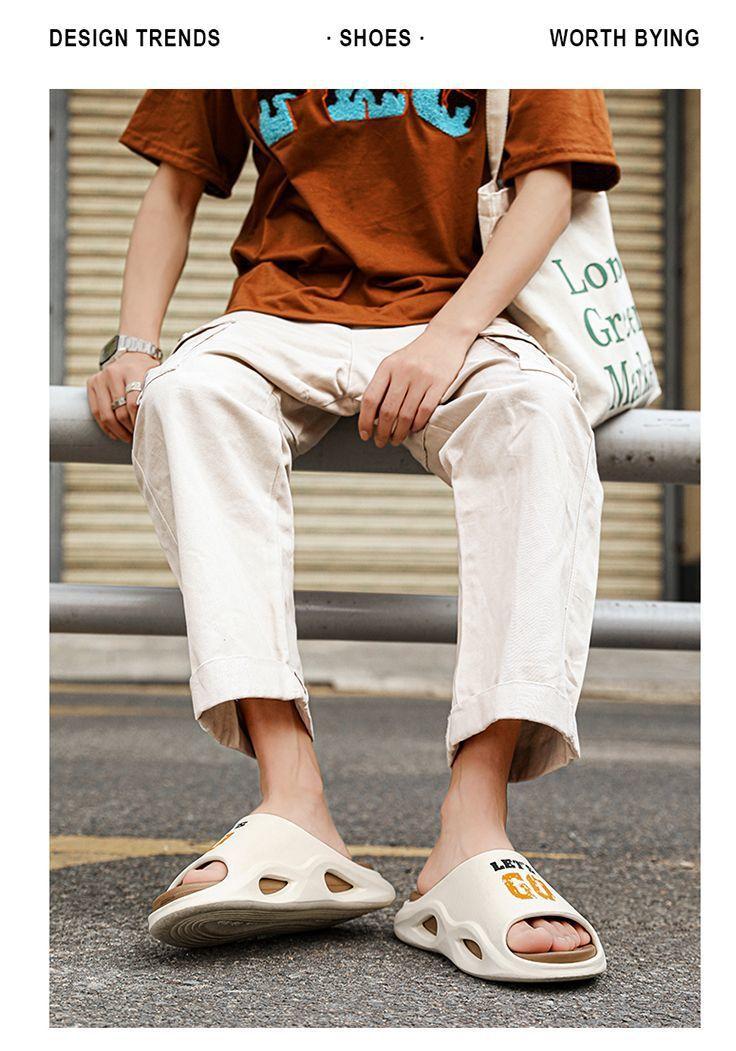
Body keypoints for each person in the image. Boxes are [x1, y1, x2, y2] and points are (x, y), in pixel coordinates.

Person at [86, 89, 619, 982]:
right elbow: (175, 185)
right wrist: (133, 343)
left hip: (460, 313)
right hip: (274, 314)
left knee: (537, 413)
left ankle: (472, 829)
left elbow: (549, 186)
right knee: (187, 396)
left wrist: (448, 335)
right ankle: (293, 801)